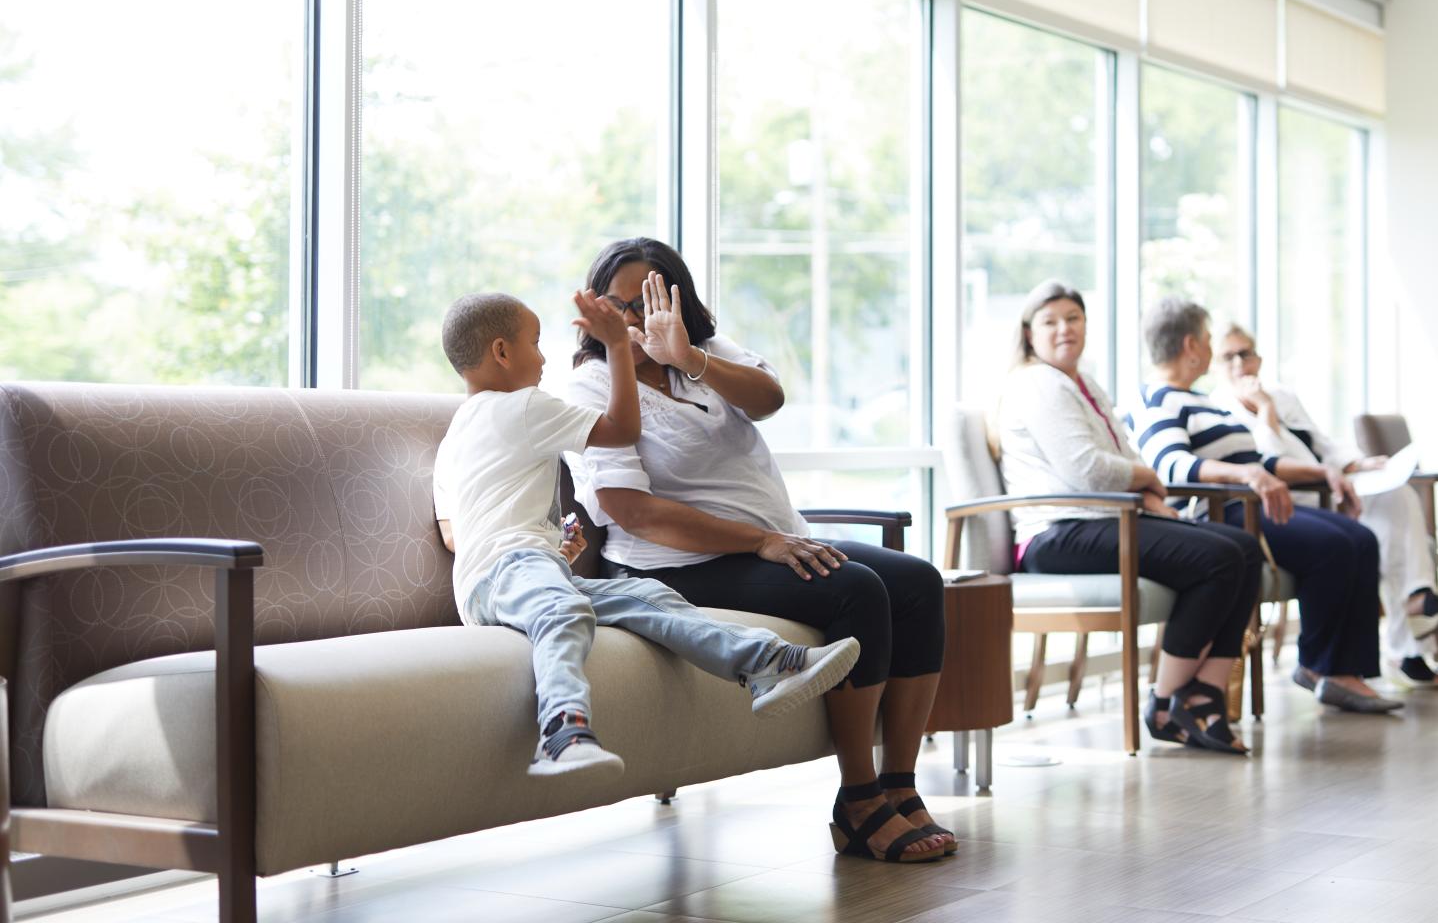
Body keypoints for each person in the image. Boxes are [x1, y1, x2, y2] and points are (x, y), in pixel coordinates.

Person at [566, 237, 950, 864]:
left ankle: (899, 788)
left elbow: (770, 399)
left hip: (773, 540)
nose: (635, 318)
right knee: (856, 588)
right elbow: (632, 511)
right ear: (597, 312)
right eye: (620, 305)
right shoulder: (588, 389)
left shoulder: (705, 353)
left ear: (681, 301)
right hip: (675, 566)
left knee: (918, 581)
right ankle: (857, 802)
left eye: (650, 300)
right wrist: (762, 541)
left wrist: (688, 356)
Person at [432, 288, 861, 781]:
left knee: (644, 595)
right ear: (502, 353)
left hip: (489, 583)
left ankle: (767, 663)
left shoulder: (454, 438)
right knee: (564, 608)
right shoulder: (523, 406)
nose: (545, 356)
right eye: (535, 341)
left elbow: (455, 537)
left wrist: (546, 552)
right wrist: (616, 346)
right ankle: (562, 732)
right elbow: (621, 430)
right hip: (514, 570)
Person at [996, 281, 1263, 753]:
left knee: (1241, 547)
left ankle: (1205, 693)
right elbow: (1087, 470)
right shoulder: (1038, 382)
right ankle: (1165, 704)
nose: (1065, 329)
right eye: (1050, 321)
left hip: (1104, 519)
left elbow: (1124, 453)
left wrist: (1144, 488)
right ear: (1029, 333)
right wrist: (1145, 481)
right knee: (1219, 558)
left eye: (1073, 318)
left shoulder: (1081, 382)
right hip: (1057, 532)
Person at [1127, 297, 1402, 714]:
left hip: (1254, 500)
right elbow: (1172, 466)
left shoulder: (1203, 400)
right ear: (1191, 346)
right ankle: (1319, 665)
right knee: (1333, 547)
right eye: (1206, 338)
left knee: (1360, 537)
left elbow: (1260, 461)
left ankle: (1346, 671)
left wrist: (1322, 472)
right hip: (1221, 512)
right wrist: (1247, 476)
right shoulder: (1158, 400)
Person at [1215, 323, 1438, 686]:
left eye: (1247, 353)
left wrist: (1358, 463)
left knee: (1398, 496)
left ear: (1260, 358)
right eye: (1230, 356)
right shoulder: (1219, 409)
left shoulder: (1283, 395)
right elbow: (1267, 461)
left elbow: (1322, 443)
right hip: (1296, 500)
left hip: (1332, 487)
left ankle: (1417, 601)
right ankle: (1411, 635)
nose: (1241, 363)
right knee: (1365, 537)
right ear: (1215, 363)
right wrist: (1264, 410)